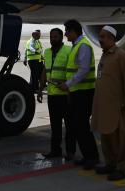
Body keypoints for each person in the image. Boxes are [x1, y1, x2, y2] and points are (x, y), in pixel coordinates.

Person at [91, 26, 125, 181]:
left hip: (118, 107)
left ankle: (121, 168)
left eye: (102, 37)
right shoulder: (105, 56)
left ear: (111, 38)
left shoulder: (121, 56)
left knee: (119, 139)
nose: (100, 40)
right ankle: (110, 163)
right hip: (104, 106)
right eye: (100, 36)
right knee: (106, 137)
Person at [59, 19, 99, 169]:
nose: (65, 35)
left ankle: (93, 157)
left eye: (67, 32)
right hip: (77, 93)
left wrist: (68, 84)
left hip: (84, 93)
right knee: (77, 126)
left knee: (82, 126)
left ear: (74, 31)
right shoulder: (76, 46)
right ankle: (87, 156)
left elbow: (83, 70)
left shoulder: (83, 46)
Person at [39, 28, 75, 160]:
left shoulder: (69, 51)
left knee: (69, 125)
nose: (53, 39)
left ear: (61, 37)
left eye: (55, 37)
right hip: (52, 95)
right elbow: (45, 70)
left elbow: (73, 72)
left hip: (65, 94)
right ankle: (55, 150)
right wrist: (40, 88)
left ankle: (70, 152)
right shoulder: (47, 52)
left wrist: (69, 88)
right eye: (51, 37)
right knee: (55, 126)